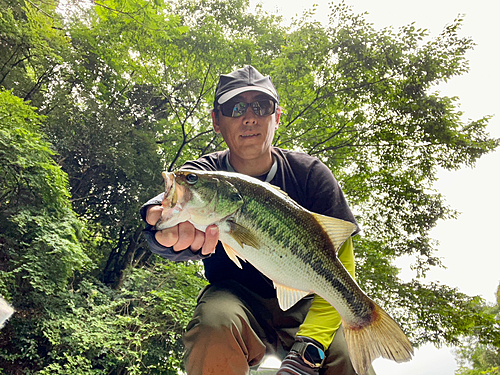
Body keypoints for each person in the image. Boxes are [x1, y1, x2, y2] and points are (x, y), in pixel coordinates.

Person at [141, 65, 375, 375]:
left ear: (277, 116)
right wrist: (157, 226)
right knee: (213, 327)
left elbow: (340, 259)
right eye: (235, 108)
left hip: (309, 300)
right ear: (216, 121)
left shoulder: (311, 175)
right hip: (235, 297)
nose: (249, 117)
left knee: (348, 357)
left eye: (261, 106)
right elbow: (166, 216)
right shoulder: (201, 174)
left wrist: (311, 347)